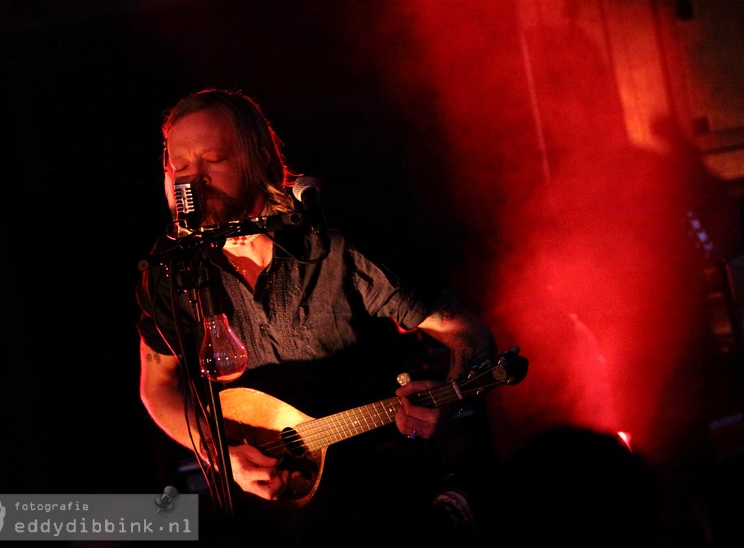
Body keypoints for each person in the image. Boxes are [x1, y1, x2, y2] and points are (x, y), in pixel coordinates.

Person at [136, 88, 501, 547]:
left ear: (259, 162)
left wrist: (449, 394)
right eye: (180, 166)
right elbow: (158, 385)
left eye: (213, 159)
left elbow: (467, 334)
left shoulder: (335, 245)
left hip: (376, 488)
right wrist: (224, 455)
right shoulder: (173, 269)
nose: (194, 180)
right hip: (269, 512)